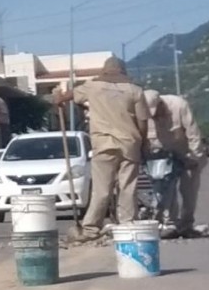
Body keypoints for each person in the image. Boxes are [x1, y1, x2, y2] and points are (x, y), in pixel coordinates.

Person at [53, 56, 149, 242]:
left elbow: (66, 96)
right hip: (130, 143)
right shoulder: (135, 91)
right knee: (128, 187)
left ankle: (90, 229)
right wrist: (143, 142)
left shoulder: (93, 86)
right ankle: (127, 225)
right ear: (123, 71)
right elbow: (142, 121)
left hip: (103, 144)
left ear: (104, 71)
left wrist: (58, 98)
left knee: (102, 189)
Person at [160, 93, 208, 238]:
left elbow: (193, 133)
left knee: (189, 191)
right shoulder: (144, 111)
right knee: (167, 189)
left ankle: (186, 224)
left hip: (187, 152)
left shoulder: (179, 105)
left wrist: (195, 157)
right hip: (165, 154)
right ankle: (170, 224)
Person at [143, 89, 182, 230]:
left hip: (169, 156)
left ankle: (170, 219)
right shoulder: (141, 115)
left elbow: (188, 133)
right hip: (151, 158)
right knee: (156, 188)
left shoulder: (177, 106)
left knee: (170, 188)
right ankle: (157, 216)